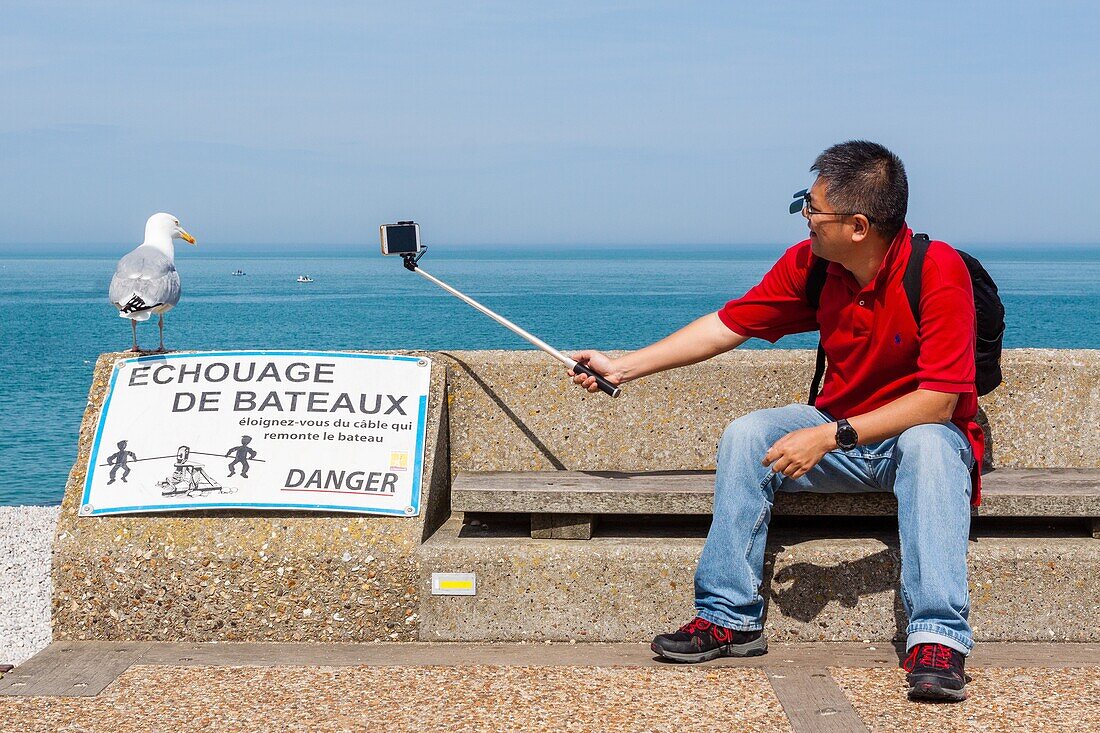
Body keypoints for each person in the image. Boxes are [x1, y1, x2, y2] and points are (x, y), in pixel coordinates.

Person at [569, 141, 982, 703]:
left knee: (932, 445)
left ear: (858, 226)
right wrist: (623, 366)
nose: (804, 218)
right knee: (747, 435)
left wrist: (829, 435)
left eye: (812, 208)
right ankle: (728, 616)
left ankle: (937, 639)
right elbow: (728, 325)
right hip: (839, 431)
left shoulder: (938, 270)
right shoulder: (812, 266)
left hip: (909, 441)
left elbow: (938, 400)